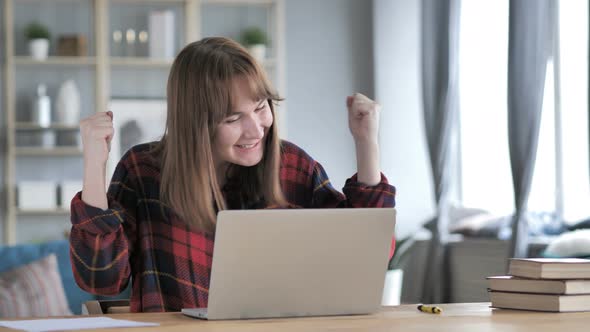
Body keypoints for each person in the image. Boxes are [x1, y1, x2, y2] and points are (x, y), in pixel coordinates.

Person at [69, 37, 396, 313]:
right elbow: (101, 279)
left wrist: (366, 142)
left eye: (260, 107)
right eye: (232, 118)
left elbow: (364, 258)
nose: (256, 130)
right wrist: (94, 166)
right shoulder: (143, 171)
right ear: (195, 123)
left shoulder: (292, 166)